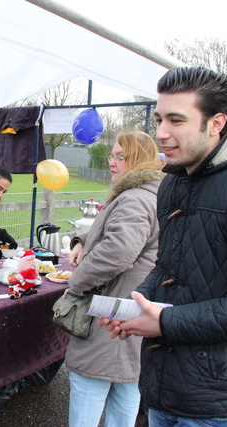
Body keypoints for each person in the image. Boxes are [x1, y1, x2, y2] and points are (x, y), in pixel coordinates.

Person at [102, 67, 227, 426]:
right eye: (161, 118)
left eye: (176, 120)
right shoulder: (175, 184)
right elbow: (168, 268)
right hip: (163, 390)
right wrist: (136, 307)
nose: (161, 133)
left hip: (223, 405)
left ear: (216, 123)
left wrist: (164, 321)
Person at [66, 131, 164, 427]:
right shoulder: (146, 193)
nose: (112, 162)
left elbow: (119, 250)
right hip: (133, 311)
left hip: (111, 315)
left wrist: (76, 282)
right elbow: (113, 231)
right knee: (126, 391)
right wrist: (82, 240)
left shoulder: (134, 197)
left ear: (137, 159)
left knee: (89, 390)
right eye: (112, 155)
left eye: (120, 156)